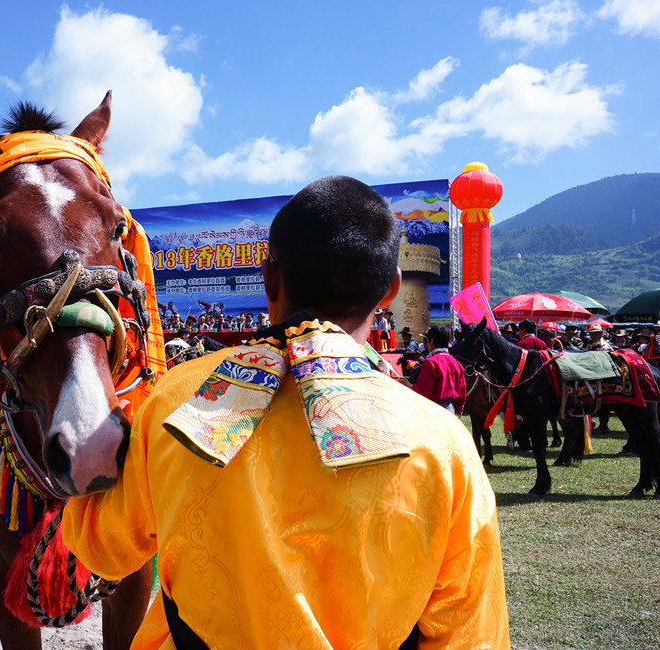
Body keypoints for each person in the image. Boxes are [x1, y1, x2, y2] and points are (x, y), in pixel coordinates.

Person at [61, 176, 508, 648]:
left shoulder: (179, 400)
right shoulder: (443, 442)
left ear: (269, 276)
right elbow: (470, 634)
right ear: (391, 289)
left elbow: (102, 549)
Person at [401, 325, 467, 414]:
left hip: (434, 411)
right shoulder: (457, 364)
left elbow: (423, 392)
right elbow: (462, 392)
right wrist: (457, 408)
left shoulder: (430, 363)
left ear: (431, 341)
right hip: (451, 411)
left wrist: (408, 385)